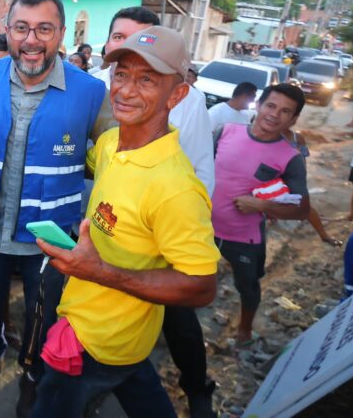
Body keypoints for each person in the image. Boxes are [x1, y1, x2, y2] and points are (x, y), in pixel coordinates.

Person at [31, 25, 219, 418]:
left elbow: (201, 288)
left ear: (178, 93)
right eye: (122, 74)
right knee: (136, 383)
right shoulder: (110, 143)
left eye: (147, 79)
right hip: (114, 331)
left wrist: (99, 271)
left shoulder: (176, 189)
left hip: (95, 340)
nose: (126, 90)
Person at [0, 0, 108, 417]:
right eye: (22, 27)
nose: (32, 39)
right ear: (7, 31)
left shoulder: (90, 92)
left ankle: (31, 376)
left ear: (62, 33)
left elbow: (115, 161)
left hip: (51, 236)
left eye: (44, 28)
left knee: (42, 319)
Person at [98, 6, 217, 417]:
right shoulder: (108, 107)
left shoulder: (188, 103)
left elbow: (200, 169)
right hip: (122, 245)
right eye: (119, 39)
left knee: (178, 322)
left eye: (147, 76)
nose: (129, 88)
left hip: (170, 233)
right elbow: (105, 162)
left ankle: (198, 388)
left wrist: (182, 229)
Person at [212, 83, 310, 346]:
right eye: (271, 106)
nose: (275, 115)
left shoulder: (291, 157)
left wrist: (262, 206)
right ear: (258, 105)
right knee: (190, 277)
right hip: (201, 228)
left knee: (248, 286)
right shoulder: (225, 132)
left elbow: (302, 209)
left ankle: (244, 330)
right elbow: (198, 172)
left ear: (294, 119)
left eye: (285, 111)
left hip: (245, 238)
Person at [282, 126, 342, 246]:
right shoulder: (269, 134)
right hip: (272, 177)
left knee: (305, 206)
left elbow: (303, 160)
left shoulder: (297, 138)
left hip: (291, 177)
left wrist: (299, 178)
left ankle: (324, 235)